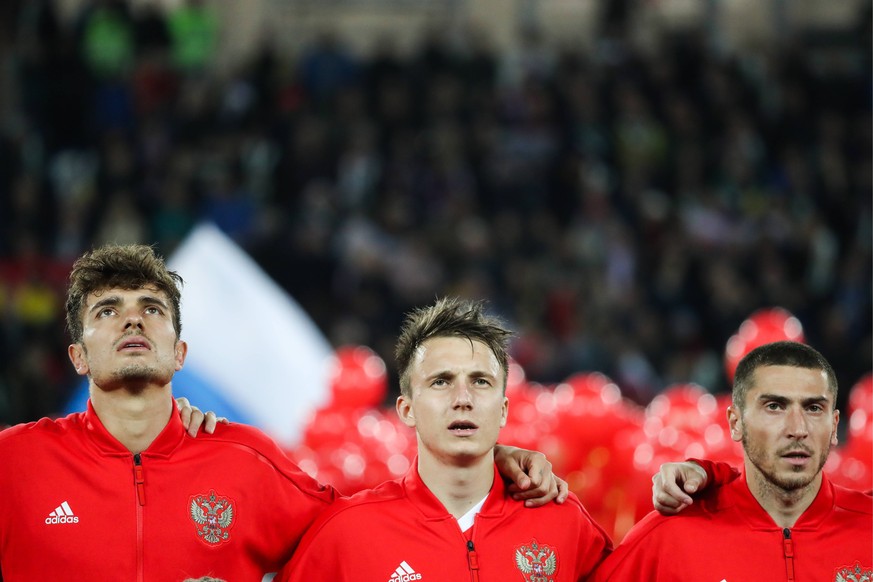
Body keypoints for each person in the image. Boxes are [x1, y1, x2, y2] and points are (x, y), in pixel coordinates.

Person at [0, 245, 568, 581]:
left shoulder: (246, 462)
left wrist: (484, 458)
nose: (132, 321)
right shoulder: (15, 463)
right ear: (77, 355)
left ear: (180, 352)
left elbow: (378, 527)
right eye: (108, 311)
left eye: (151, 308)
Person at [277, 297, 613, 581]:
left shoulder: (564, 523)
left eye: (481, 381)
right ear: (406, 409)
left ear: (504, 410)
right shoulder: (347, 533)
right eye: (441, 381)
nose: (463, 398)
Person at [592, 341, 873, 581]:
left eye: (813, 408)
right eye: (774, 407)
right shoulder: (671, 536)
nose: (797, 429)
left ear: (835, 426)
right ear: (735, 423)